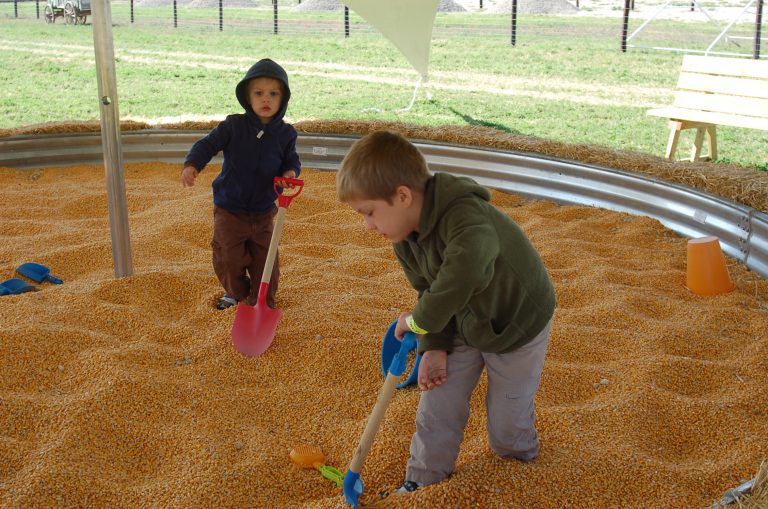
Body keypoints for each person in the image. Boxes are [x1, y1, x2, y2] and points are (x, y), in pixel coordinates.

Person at [336, 130, 556, 494]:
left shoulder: (466, 216)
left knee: (506, 420)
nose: (368, 225)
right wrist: (433, 345)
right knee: (437, 402)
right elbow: (429, 290)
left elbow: (466, 271)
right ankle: (423, 480)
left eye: (370, 213)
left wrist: (419, 321)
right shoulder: (404, 237)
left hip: (516, 323)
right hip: (462, 321)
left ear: (403, 196)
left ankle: (519, 471)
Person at [181, 58, 300, 310]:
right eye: (258, 93)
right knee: (228, 256)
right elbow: (207, 145)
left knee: (265, 260)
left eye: (273, 93)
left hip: (264, 210)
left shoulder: (286, 134)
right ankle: (236, 292)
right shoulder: (234, 126)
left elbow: (291, 160)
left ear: (283, 99)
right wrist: (193, 164)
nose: (265, 99)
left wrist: (290, 172)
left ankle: (261, 301)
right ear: (247, 97)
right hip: (230, 209)